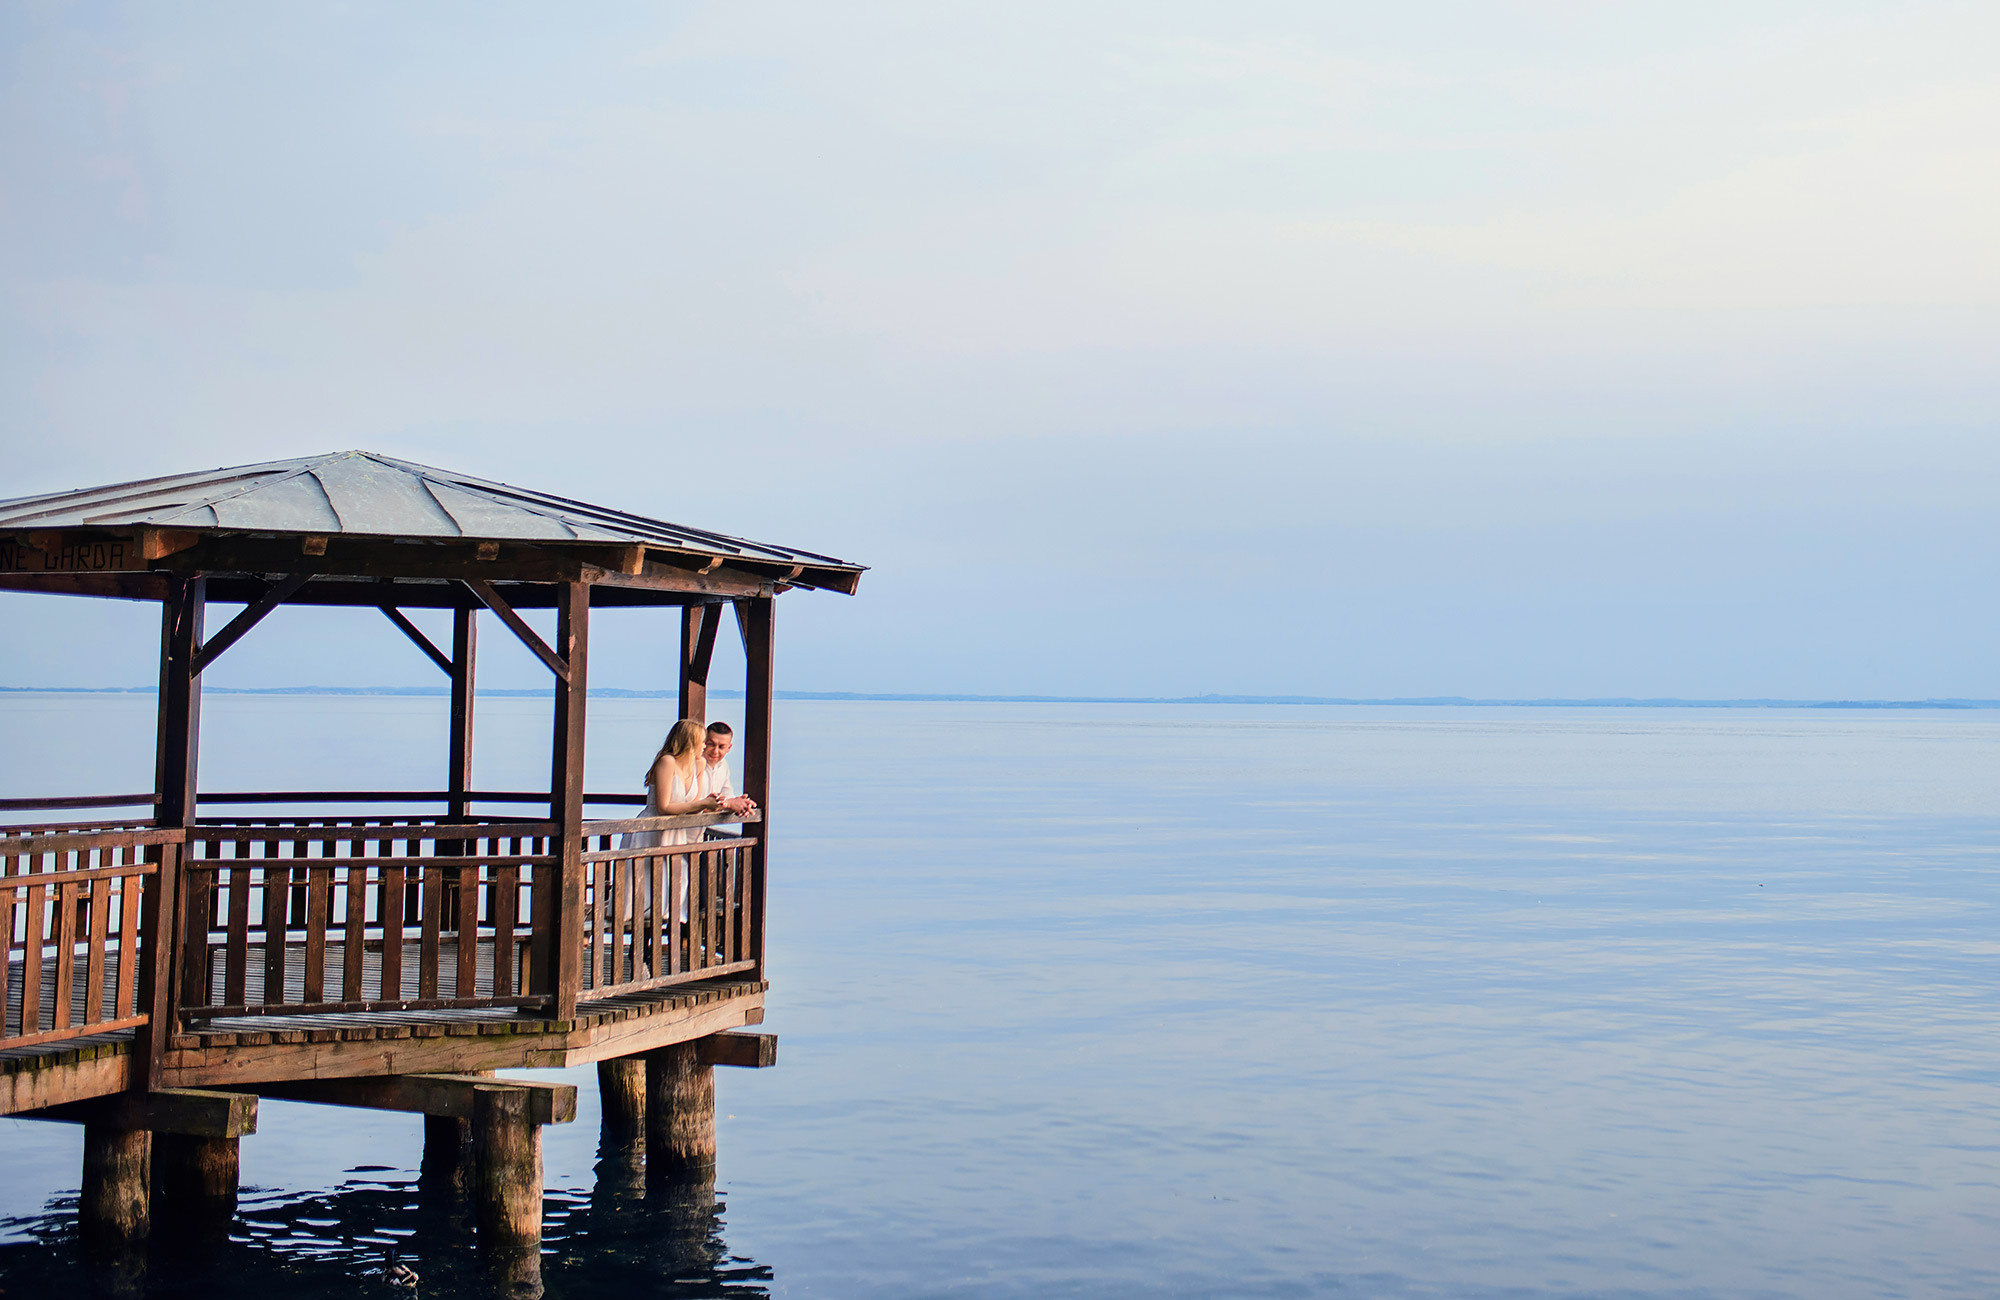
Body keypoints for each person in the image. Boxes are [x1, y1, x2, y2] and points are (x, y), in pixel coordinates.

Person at [697, 721, 758, 818]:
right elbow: (691, 804)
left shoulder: (723, 766)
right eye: (711, 744)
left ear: (729, 748)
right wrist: (729, 803)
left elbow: (727, 794)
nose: (715, 751)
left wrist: (742, 805)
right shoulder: (693, 764)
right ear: (704, 743)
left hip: (700, 831)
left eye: (721, 747)